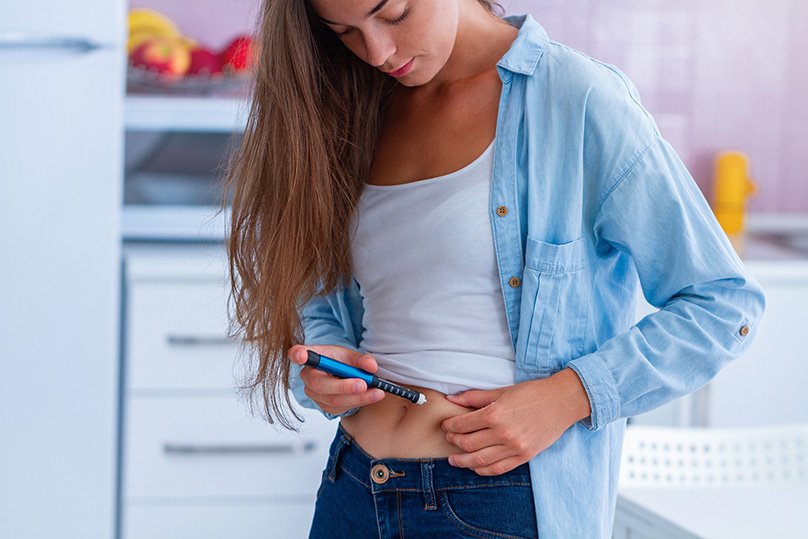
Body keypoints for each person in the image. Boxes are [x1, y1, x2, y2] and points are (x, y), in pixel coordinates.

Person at [221, 0, 767, 537]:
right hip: (352, 485)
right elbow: (317, 282)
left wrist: (569, 395)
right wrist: (327, 359)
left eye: (393, 14)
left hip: (491, 504)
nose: (378, 51)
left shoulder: (577, 100)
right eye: (344, 31)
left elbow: (722, 303)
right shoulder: (354, 102)